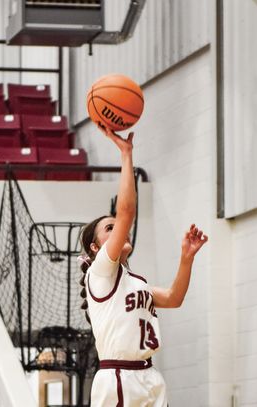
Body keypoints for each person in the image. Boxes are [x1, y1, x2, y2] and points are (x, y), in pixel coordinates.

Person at [78, 127, 208, 406]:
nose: (120, 231)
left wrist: (186, 258)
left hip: (149, 374)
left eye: (118, 228)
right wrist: (126, 154)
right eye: (110, 229)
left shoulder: (134, 281)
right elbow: (126, 212)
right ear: (95, 247)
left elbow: (174, 298)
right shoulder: (99, 272)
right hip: (118, 377)